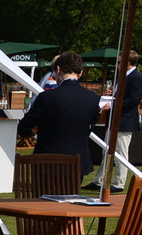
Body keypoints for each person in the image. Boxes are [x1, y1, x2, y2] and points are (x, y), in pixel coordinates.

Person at [17, 50, 100, 178]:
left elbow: (24, 126)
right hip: (78, 162)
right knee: (72, 197)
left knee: (44, 197)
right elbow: (91, 125)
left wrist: (32, 134)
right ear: (80, 73)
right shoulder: (93, 98)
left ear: (58, 69)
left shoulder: (47, 97)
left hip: (48, 162)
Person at [109, 50, 142, 191]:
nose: (117, 65)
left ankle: (119, 182)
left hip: (125, 120)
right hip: (115, 119)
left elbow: (135, 99)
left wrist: (114, 103)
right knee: (106, 151)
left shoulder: (136, 77)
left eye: (119, 62)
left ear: (127, 62)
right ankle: (100, 180)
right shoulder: (123, 77)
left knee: (120, 152)